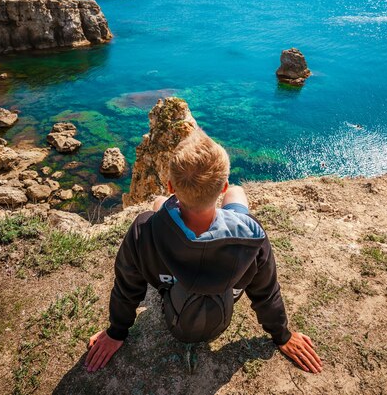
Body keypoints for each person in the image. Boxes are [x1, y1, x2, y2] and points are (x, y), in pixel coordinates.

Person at [85, 130, 322, 374]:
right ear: (222, 187)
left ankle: (175, 203)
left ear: (171, 186)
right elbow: (266, 291)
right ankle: (208, 202)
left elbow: (127, 287)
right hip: (223, 304)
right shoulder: (251, 235)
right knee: (239, 193)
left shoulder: (143, 230)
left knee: (158, 204)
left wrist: (116, 332)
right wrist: (282, 335)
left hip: (176, 305)